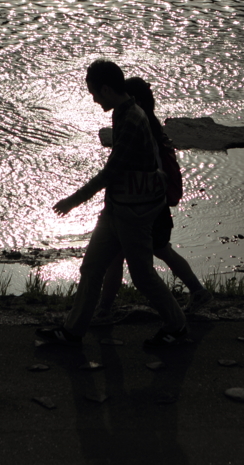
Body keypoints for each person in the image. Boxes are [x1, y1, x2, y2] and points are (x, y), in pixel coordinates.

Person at [37, 60, 188, 347]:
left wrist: (73, 200)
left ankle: (177, 325)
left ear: (106, 89)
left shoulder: (131, 120)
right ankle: (72, 332)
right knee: (92, 269)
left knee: (142, 277)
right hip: (118, 209)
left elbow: (111, 171)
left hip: (134, 212)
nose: (93, 98)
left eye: (94, 92)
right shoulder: (123, 112)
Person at [92, 77, 212, 323]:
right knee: (155, 251)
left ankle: (105, 309)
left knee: (140, 255)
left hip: (145, 205)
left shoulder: (137, 125)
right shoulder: (149, 125)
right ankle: (197, 292)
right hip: (149, 203)